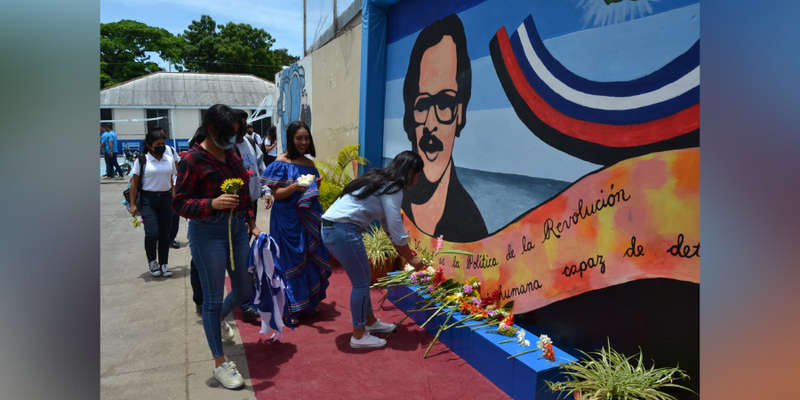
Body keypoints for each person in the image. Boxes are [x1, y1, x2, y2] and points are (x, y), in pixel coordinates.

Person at [172, 104, 263, 390]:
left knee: (245, 289)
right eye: (229, 134)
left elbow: (246, 191)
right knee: (211, 299)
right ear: (212, 130)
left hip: (236, 230)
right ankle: (220, 364)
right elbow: (179, 202)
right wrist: (211, 203)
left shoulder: (233, 151)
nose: (234, 140)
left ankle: (218, 318)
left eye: (236, 134)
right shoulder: (192, 159)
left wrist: (250, 220)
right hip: (208, 233)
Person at [321, 151, 426, 349]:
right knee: (361, 283)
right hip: (343, 230)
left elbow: (387, 226)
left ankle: (368, 322)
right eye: (418, 176)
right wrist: (411, 259)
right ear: (410, 171)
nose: (418, 180)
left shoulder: (381, 181)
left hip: (334, 228)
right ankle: (359, 335)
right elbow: (396, 226)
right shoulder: (393, 188)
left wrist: (405, 253)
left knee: (363, 279)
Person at [401, 14, 488, 242]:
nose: (431, 124)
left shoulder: (472, 229)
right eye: (422, 104)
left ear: (460, 113)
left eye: (444, 104)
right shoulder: (394, 197)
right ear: (410, 113)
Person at [259, 120, 331, 326]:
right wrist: (295, 187)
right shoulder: (280, 162)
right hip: (286, 220)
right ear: (291, 139)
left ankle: (308, 301)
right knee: (288, 261)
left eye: (306, 138)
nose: (303, 142)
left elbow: (310, 191)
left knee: (308, 257)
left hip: (306, 218)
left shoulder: (310, 164)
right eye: (299, 138)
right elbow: (277, 194)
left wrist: (314, 186)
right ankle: (291, 306)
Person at [128, 129, 178, 278]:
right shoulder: (142, 160)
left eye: (163, 143)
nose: (162, 146)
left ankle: (164, 263)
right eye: (158, 144)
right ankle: (152, 261)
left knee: (164, 234)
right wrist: (132, 204)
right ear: (149, 146)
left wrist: (174, 197)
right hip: (148, 200)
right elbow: (134, 184)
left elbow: (171, 180)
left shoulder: (169, 159)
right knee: (152, 233)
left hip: (166, 199)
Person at [155, 125, 183, 249]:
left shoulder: (171, 150)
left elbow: (177, 169)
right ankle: (159, 237)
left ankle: (171, 238)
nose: (161, 141)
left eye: (163, 137)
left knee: (174, 214)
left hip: (173, 187)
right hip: (156, 189)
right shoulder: (148, 152)